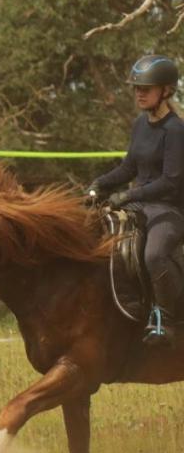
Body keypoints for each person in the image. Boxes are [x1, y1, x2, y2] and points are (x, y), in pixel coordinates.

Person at [88, 54, 184, 347]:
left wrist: (129, 194)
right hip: (138, 204)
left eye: (146, 87)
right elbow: (129, 168)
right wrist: (99, 185)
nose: (139, 92)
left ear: (166, 90)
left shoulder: (176, 130)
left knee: (154, 255)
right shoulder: (139, 124)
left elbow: (170, 181)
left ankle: (166, 321)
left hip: (169, 209)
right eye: (136, 87)